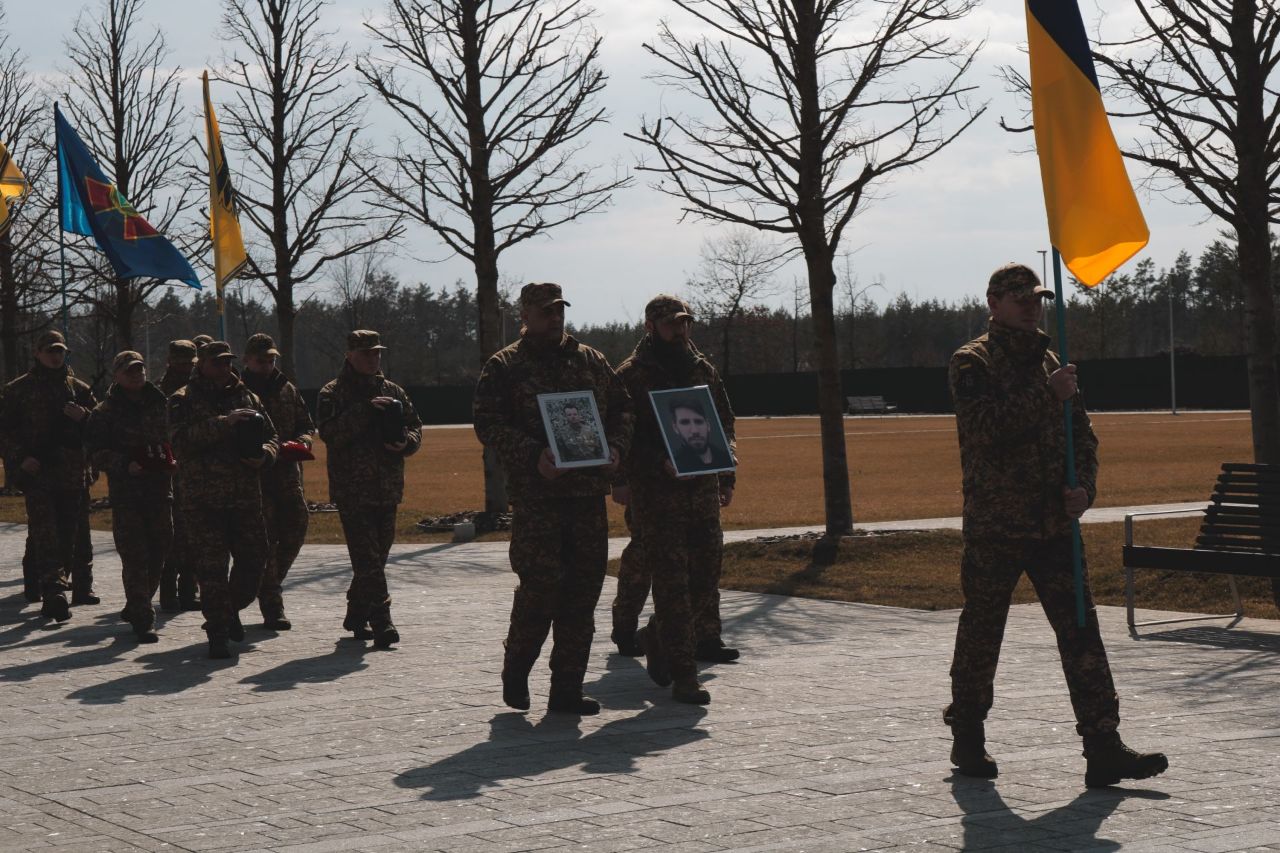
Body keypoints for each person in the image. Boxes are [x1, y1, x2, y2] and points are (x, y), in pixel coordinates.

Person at [945, 262, 1168, 787]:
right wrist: (1050, 393)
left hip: (1052, 529)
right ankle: (968, 737)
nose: (1031, 306)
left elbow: (1084, 439)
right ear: (993, 303)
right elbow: (983, 430)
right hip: (996, 529)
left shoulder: (1052, 363)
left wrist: (1083, 490)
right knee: (982, 635)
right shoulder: (972, 361)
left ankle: (1103, 745)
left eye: (1036, 298)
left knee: (1082, 635)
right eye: (1019, 298)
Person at [474, 282, 633, 715]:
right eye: (546, 311)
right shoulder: (505, 366)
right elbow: (487, 424)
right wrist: (532, 455)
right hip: (538, 499)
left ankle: (567, 688)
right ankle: (517, 668)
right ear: (525, 314)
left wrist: (616, 448)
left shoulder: (590, 360)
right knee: (539, 591)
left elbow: (623, 409)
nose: (556, 318)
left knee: (583, 595)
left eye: (560, 310)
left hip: (586, 498)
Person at [613, 295, 737, 705]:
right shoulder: (631, 375)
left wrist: (726, 470)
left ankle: (656, 635)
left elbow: (724, 421)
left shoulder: (702, 369)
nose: (680, 330)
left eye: (684, 322)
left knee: (705, 578)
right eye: (671, 324)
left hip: (701, 492)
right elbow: (620, 435)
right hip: (657, 495)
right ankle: (686, 676)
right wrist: (653, 462)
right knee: (670, 583)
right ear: (650, 326)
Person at [169, 340, 278, 659]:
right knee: (212, 569)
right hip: (202, 501)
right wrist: (224, 423)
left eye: (228, 362)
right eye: (217, 362)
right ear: (200, 365)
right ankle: (217, 631)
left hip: (244, 497)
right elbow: (179, 442)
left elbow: (271, 435)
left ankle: (228, 610)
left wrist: (265, 456)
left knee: (255, 561)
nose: (224, 368)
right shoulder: (182, 400)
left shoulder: (248, 396)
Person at [316, 330, 422, 649]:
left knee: (378, 556)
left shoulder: (393, 390)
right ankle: (382, 621)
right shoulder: (332, 393)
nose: (373, 359)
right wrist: (364, 410)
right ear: (350, 356)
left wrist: (407, 443)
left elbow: (415, 425)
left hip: (387, 488)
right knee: (367, 559)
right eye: (366, 354)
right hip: (352, 490)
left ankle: (356, 611)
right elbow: (329, 433)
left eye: (376, 353)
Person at [0, 330, 98, 621]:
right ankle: (54, 591)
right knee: (45, 532)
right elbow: (5, 432)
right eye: (50, 351)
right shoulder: (18, 390)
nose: (55, 356)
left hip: (73, 473)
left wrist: (85, 418)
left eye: (60, 351)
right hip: (38, 474)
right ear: (37, 353)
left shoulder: (79, 389)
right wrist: (21, 459)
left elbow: (101, 428)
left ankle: (48, 582)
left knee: (68, 535)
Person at [85, 351, 174, 643]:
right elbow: (95, 454)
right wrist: (125, 464)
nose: (136, 375)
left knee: (159, 551)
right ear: (117, 376)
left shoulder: (162, 403)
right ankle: (144, 618)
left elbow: (174, 438)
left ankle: (138, 603)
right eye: (129, 371)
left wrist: (173, 459)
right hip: (128, 495)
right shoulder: (104, 412)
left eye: (140, 370)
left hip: (161, 491)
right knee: (135, 556)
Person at [242, 333, 315, 630]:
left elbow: (306, 424)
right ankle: (272, 602)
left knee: (296, 527)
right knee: (265, 538)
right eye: (262, 360)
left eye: (272, 360)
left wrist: (303, 441)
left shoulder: (286, 389)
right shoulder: (238, 391)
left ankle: (267, 582)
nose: (268, 365)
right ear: (247, 360)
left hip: (286, 474)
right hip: (254, 476)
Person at [159, 339, 200, 611]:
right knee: (172, 534)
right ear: (171, 361)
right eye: (181, 362)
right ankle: (168, 592)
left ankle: (188, 589)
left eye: (190, 362)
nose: (186, 367)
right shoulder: (160, 393)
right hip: (170, 471)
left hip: (196, 470)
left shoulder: (199, 389)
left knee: (194, 532)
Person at [668, 397, 734, 473]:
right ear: (675, 428)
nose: (694, 431)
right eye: (685, 422)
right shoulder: (675, 464)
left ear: (708, 425)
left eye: (698, 421)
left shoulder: (725, 458)